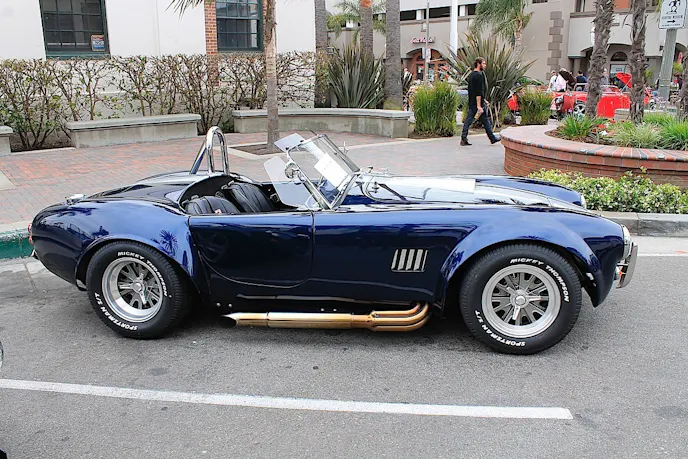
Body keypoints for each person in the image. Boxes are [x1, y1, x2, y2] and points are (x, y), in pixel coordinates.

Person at [460, 57, 500, 146]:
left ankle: (464, 138)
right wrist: (479, 106)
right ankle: (492, 138)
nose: (485, 65)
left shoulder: (471, 75)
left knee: (472, 120)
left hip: (473, 102)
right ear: (479, 64)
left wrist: (483, 99)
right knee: (482, 120)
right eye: (484, 63)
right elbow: (478, 91)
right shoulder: (479, 75)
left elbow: (473, 90)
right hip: (477, 103)